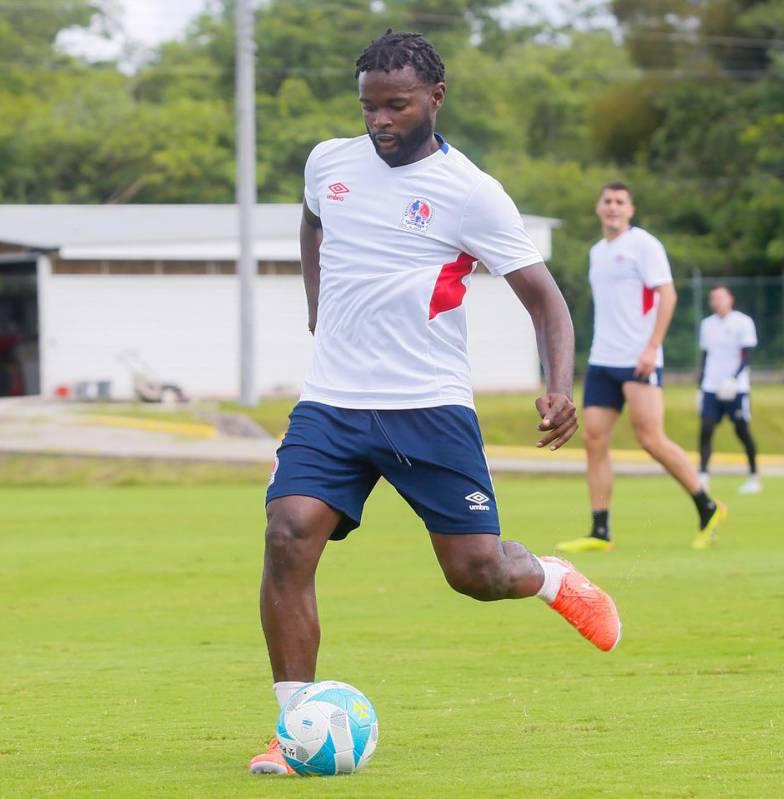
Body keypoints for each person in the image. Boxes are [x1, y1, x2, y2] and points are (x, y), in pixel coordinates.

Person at [249, 30, 622, 776]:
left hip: (428, 406)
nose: (379, 121)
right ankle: (295, 728)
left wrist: (557, 385)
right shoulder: (329, 162)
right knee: (289, 533)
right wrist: (316, 301)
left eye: (396, 106)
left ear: (434, 99)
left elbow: (547, 303)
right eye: (368, 107)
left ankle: (550, 576)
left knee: (475, 572)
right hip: (333, 400)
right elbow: (313, 220)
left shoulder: (472, 194)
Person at [555, 183, 726, 554]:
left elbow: (668, 295)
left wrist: (651, 348)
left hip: (638, 358)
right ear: (599, 208)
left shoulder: (644, 246)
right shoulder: (597, 253)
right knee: (593, 439)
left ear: (630, 209)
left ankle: (707, 506)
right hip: (603, 359)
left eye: (620, 202)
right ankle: (600, 531)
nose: (613, 207)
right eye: (607, 201)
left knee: (651, 438)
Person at [697, 285, 761, 494]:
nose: (716, 302)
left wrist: (734, 379)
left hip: (736, 388)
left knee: (741, 430)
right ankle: (703, 475)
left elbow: (747, 355)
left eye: (720, 297)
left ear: (730, 299)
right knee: (706, 429)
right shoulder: (707, 325)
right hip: (711, 386)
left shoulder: (742, 322)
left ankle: (753, 476)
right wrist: (700, 386)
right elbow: (705, 357)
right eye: (713, 298)